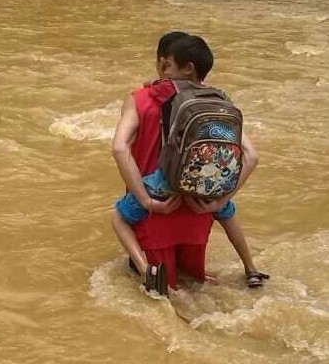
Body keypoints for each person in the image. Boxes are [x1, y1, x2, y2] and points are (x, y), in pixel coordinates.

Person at [111, 31, 269, 293]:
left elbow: (119, 148)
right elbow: (252, 156)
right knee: (195, 287)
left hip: (158, 206)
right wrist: (219, 200)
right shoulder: (217, 101)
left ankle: (145, 269)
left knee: (120, 221)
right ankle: (250, 269)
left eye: (166, 62)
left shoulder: (141, 98)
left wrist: (146, 201)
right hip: (202, 204)